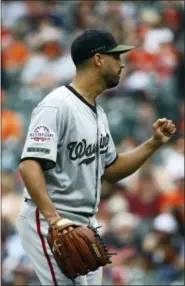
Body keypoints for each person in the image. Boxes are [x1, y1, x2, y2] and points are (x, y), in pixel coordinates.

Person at [17, 29, 176, 286]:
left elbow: (111, 170)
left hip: (84, 224)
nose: (122, 63)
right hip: (52, 221)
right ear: (98, 59)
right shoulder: (56, 105)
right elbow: (29, 165)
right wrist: (54, 219)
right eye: (116, 57)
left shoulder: (98, 112)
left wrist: (154, 143)